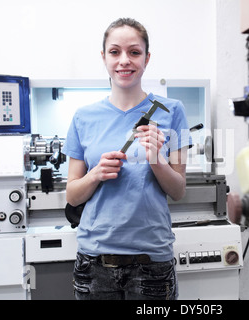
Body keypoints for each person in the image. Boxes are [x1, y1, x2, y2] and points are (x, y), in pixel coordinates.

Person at [62, 17, 190, 300]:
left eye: (134, 52)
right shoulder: (83, 117)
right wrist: (95, 174)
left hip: (152, 263)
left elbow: (178, 191)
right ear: (104, 57)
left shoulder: (173, 111)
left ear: (147, 58)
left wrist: (156, 158)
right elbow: (72, 195)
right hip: (94, 263)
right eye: (115, 52)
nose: (124, 61)